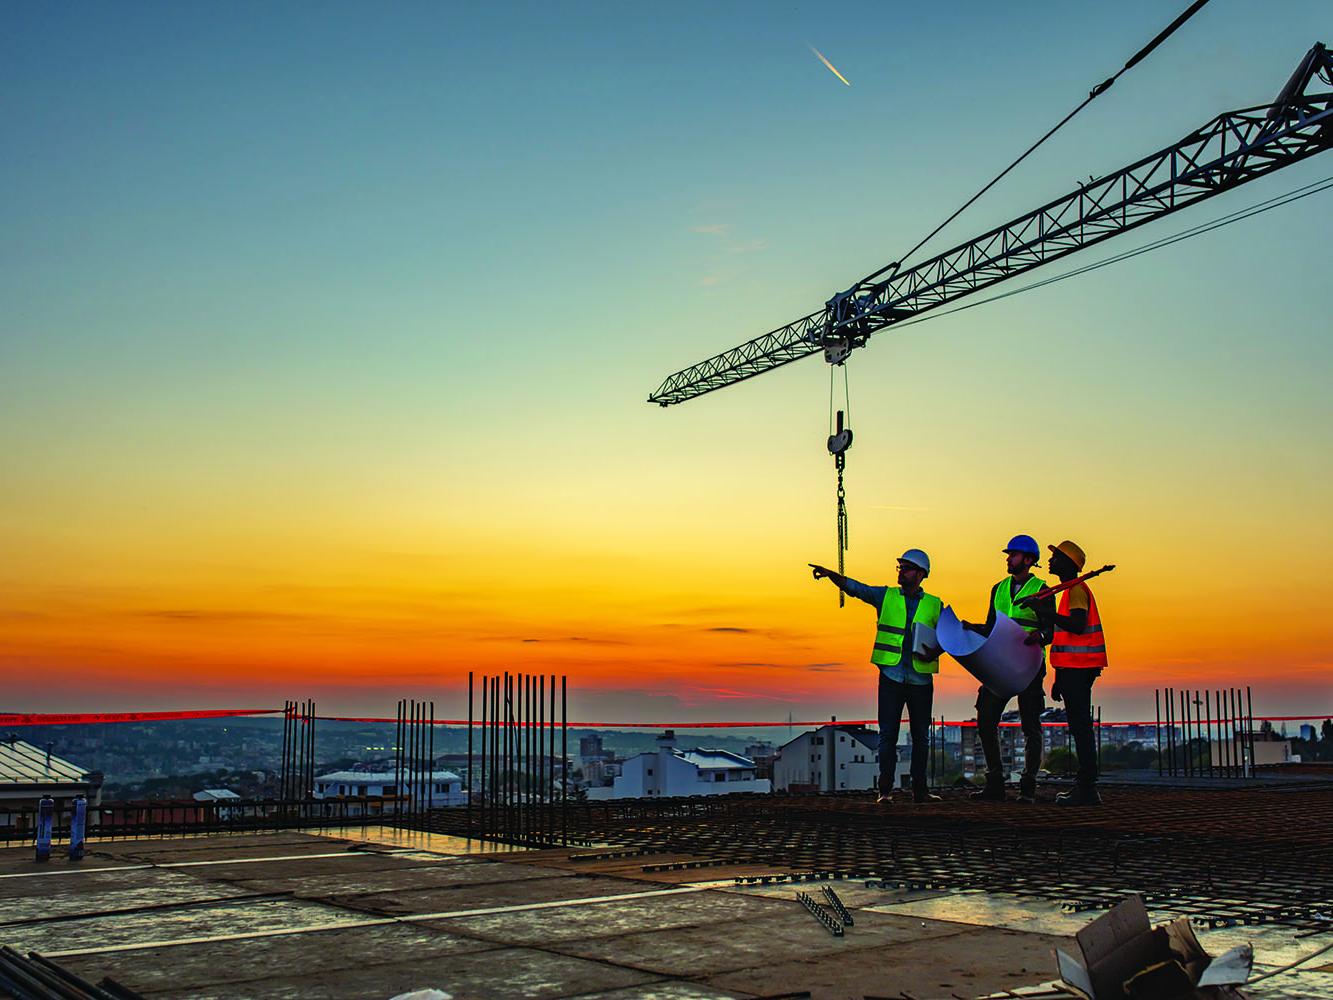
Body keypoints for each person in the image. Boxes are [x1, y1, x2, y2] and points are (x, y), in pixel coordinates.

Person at [809, 549, 943, 804]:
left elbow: (949, 636)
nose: (901, 572)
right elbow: (856, 588)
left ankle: (920, 791)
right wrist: (831, 576)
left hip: (920, 680)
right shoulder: (886, 596)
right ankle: (885, 791)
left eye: (906, 568)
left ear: (921, 574)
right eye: (900, 567)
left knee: (921, 737)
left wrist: (935, 650)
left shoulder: (934, 604)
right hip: (892, 676)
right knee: (887, 735)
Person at [964, 534, 1055, 803]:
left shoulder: (1042, 589)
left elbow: (1051, 628)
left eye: (1013, 555)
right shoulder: (998, 588)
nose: (1008, 559)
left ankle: (1028, 787)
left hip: (1028, 665)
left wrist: (1041, 636)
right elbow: (992, 626)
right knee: (986, 718)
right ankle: (995, 784)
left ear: (1028, 560)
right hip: (1000, 664)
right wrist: (973, 629)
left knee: (1030, 725)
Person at [1044, 540, 1108, 806]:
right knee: (1079, 726)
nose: (1050, 561)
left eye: (1055, 557)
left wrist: (1047, 615)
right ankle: (1086, 786)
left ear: (1068, 564)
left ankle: (1087, 787)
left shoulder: (1076, 591)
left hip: (1079, 670)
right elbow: (1066, 638)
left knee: (1081, 728)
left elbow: (1078, 626)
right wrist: (1059, 676)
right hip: (1073, 670)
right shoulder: (1070, 591)